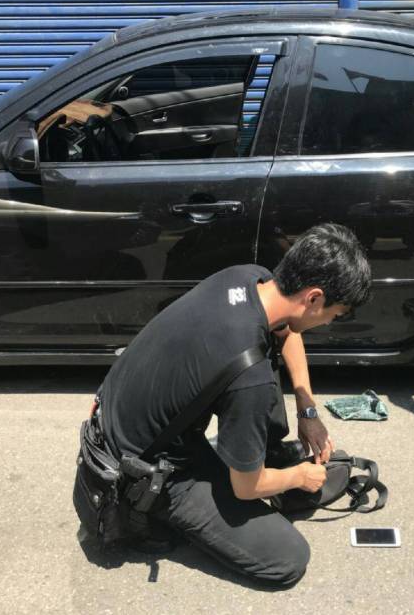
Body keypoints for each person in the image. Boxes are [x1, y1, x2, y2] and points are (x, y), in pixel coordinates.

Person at [97, 223, 372, 586]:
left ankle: (253, 452)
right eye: (335, 313)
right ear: (314, 298)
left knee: (261, 363)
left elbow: (288, 333)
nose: (330, 322)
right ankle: (151, 514)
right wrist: (298, 477)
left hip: (118, 419)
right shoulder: (249, 374)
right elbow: (246, 488)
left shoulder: (249, 279)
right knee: (288, 558)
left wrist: (307, 410)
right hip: (142, 470)